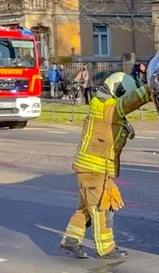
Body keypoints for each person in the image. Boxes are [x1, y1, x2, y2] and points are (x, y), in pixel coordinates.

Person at [59, 72, 151, 259]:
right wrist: (151, 89)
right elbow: (129, 103)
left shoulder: (101, 105)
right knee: (102, 209)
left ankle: (70, 240)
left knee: (87, 208)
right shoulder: (107, 107)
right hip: (94, 168)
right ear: (119, 91)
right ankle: (106, 248)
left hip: (92, 168)